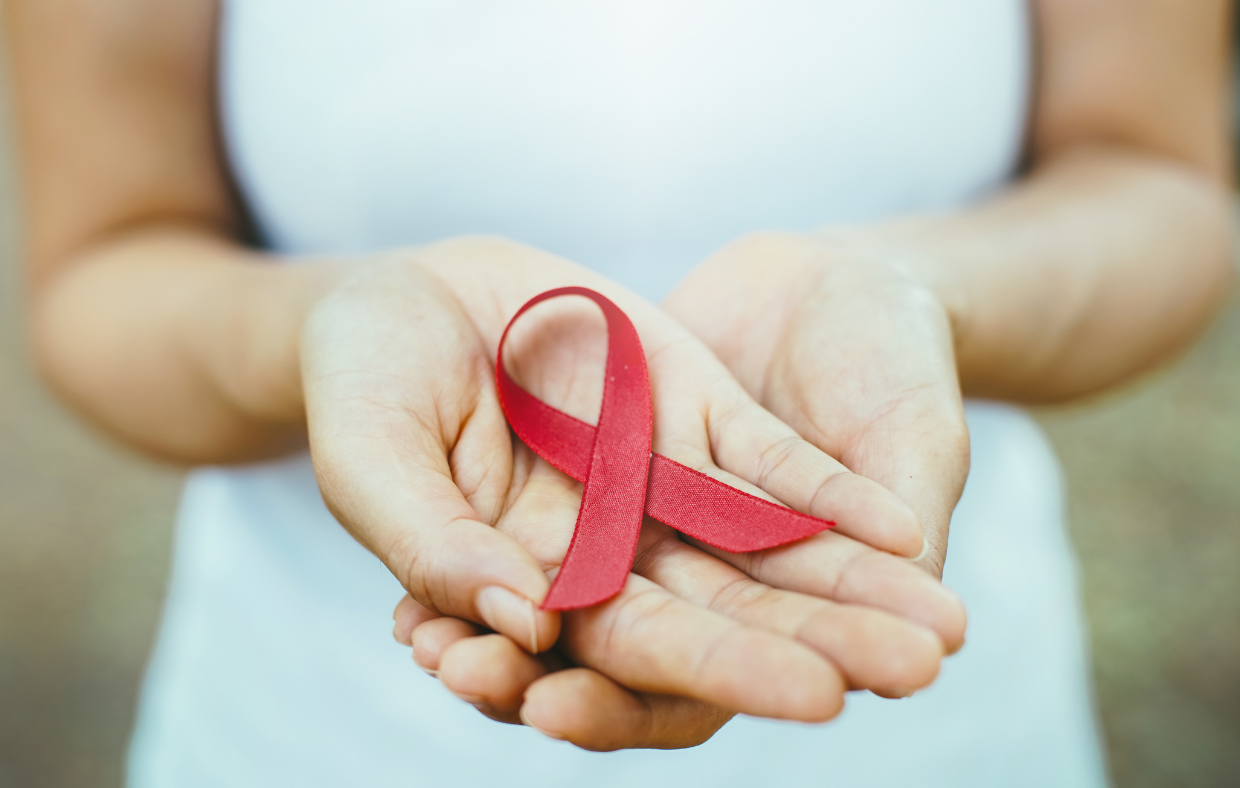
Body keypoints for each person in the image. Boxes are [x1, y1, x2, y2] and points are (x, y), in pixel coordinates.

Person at [5, 0, 1233, 785]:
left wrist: (921, 291)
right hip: (314, 731)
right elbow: (105, 267)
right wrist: (321, 330)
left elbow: (1158, 186)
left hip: (928, 702)